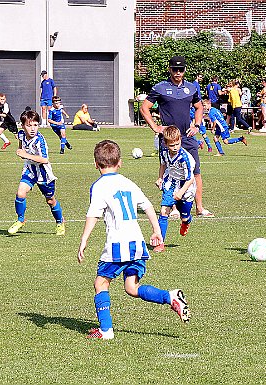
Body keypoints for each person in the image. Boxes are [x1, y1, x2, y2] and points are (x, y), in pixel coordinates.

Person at [77, 139, 190, 339]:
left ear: (96, 164)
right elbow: (147, 206)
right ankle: (170, 296)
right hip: (137, 244)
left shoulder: (99, 186)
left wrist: (84, 239)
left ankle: (106, 330)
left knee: (101, 283)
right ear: (120, 162)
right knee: (131, 287)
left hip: (117, 245)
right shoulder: (128, 183)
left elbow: (93, 214)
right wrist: (157, 232)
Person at [140, 55, 214, 218]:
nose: (178, 72)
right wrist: (155, 127)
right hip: (169, 139)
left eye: (181, 69)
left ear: (184, 70)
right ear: (170, 69)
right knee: (169, 173)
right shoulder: (159, 88)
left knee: (195, 172)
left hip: (187, 137)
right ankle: (172, 208)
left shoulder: (191, 88)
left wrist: (196, 124)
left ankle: (199, 208)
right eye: (175, 69)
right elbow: (144, 108)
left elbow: (199, 107)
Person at [7, 109, 65, 236]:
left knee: (50, 200)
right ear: (23, 126)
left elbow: (44, 159)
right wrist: (20, 152)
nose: (33, 128)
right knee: (20, 192)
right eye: (29, 125)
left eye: (35, 125)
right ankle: (20, 220)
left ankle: (60, 221)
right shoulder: (21, 134)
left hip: (44, 174)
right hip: (30, 171)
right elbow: (21, 147)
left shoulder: (40, 141)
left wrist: (25, 154)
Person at [153, 126, 196, 253]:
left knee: (184, 216)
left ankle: (186, 221)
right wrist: (160, 178)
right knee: (163, 211)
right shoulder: (164, 152)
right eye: (172, 145)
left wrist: (181, 192)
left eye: (177, 144)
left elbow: (190, 179)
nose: (175, 147)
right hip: (170, 183)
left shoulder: (185, 158)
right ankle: (160, 243)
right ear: (166, 144)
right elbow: (163, 164)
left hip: (186, 187)